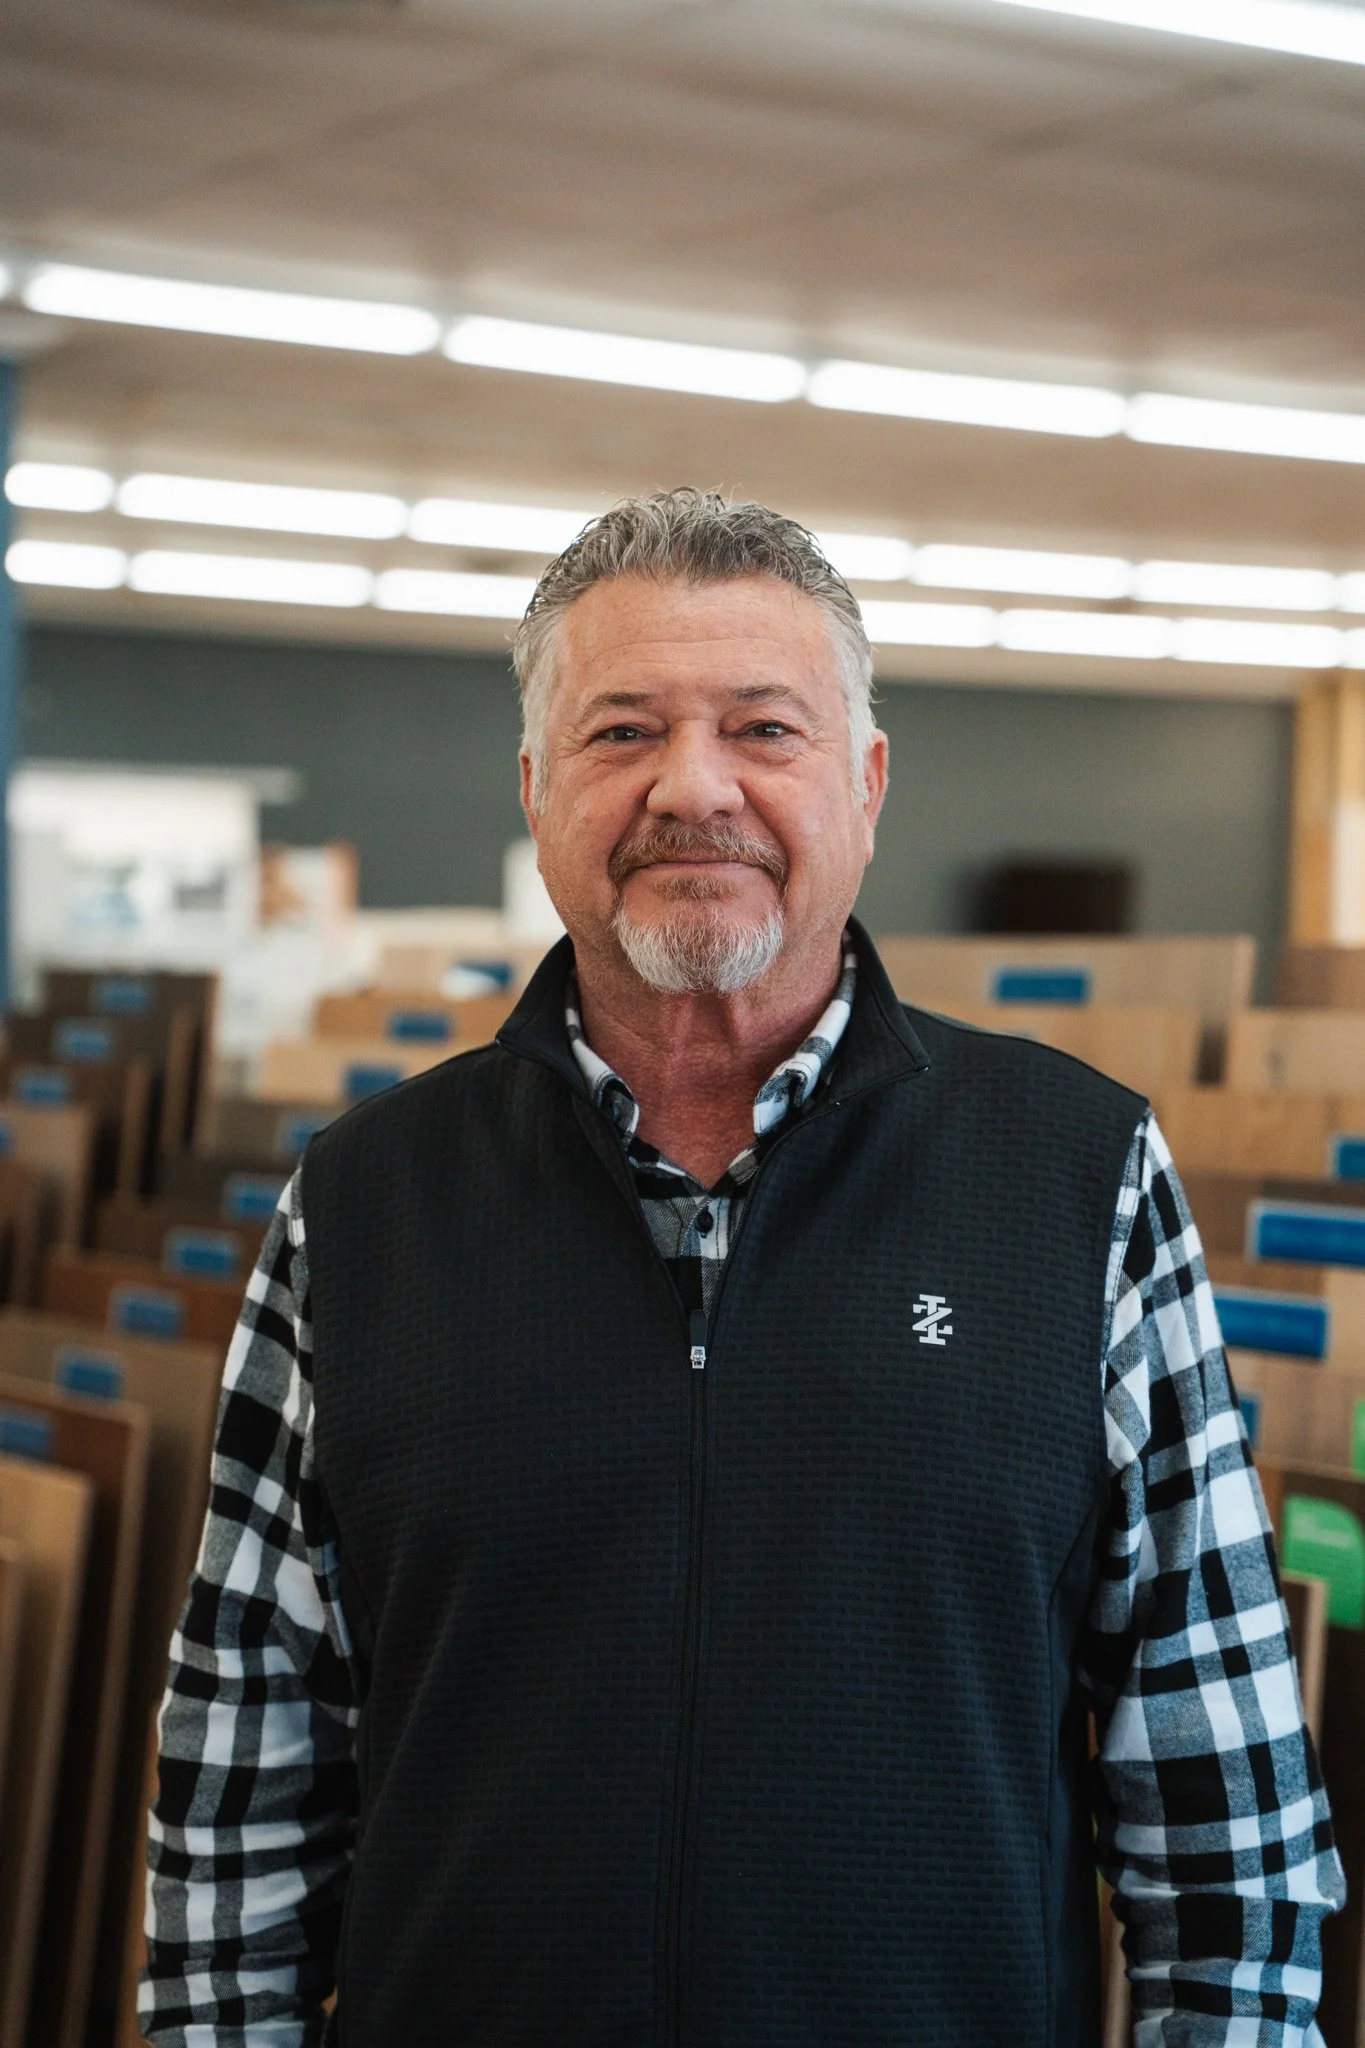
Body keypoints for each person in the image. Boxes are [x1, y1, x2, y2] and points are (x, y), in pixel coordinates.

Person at [142, 489, 1343, 2047]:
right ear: (535, 786)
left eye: (763, 730)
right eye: (621, 731)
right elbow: (238, 1793)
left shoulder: (1081, 1177)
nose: (689, 786)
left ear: (866, 780)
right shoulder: (363, 1206)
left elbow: (1227, 1828)